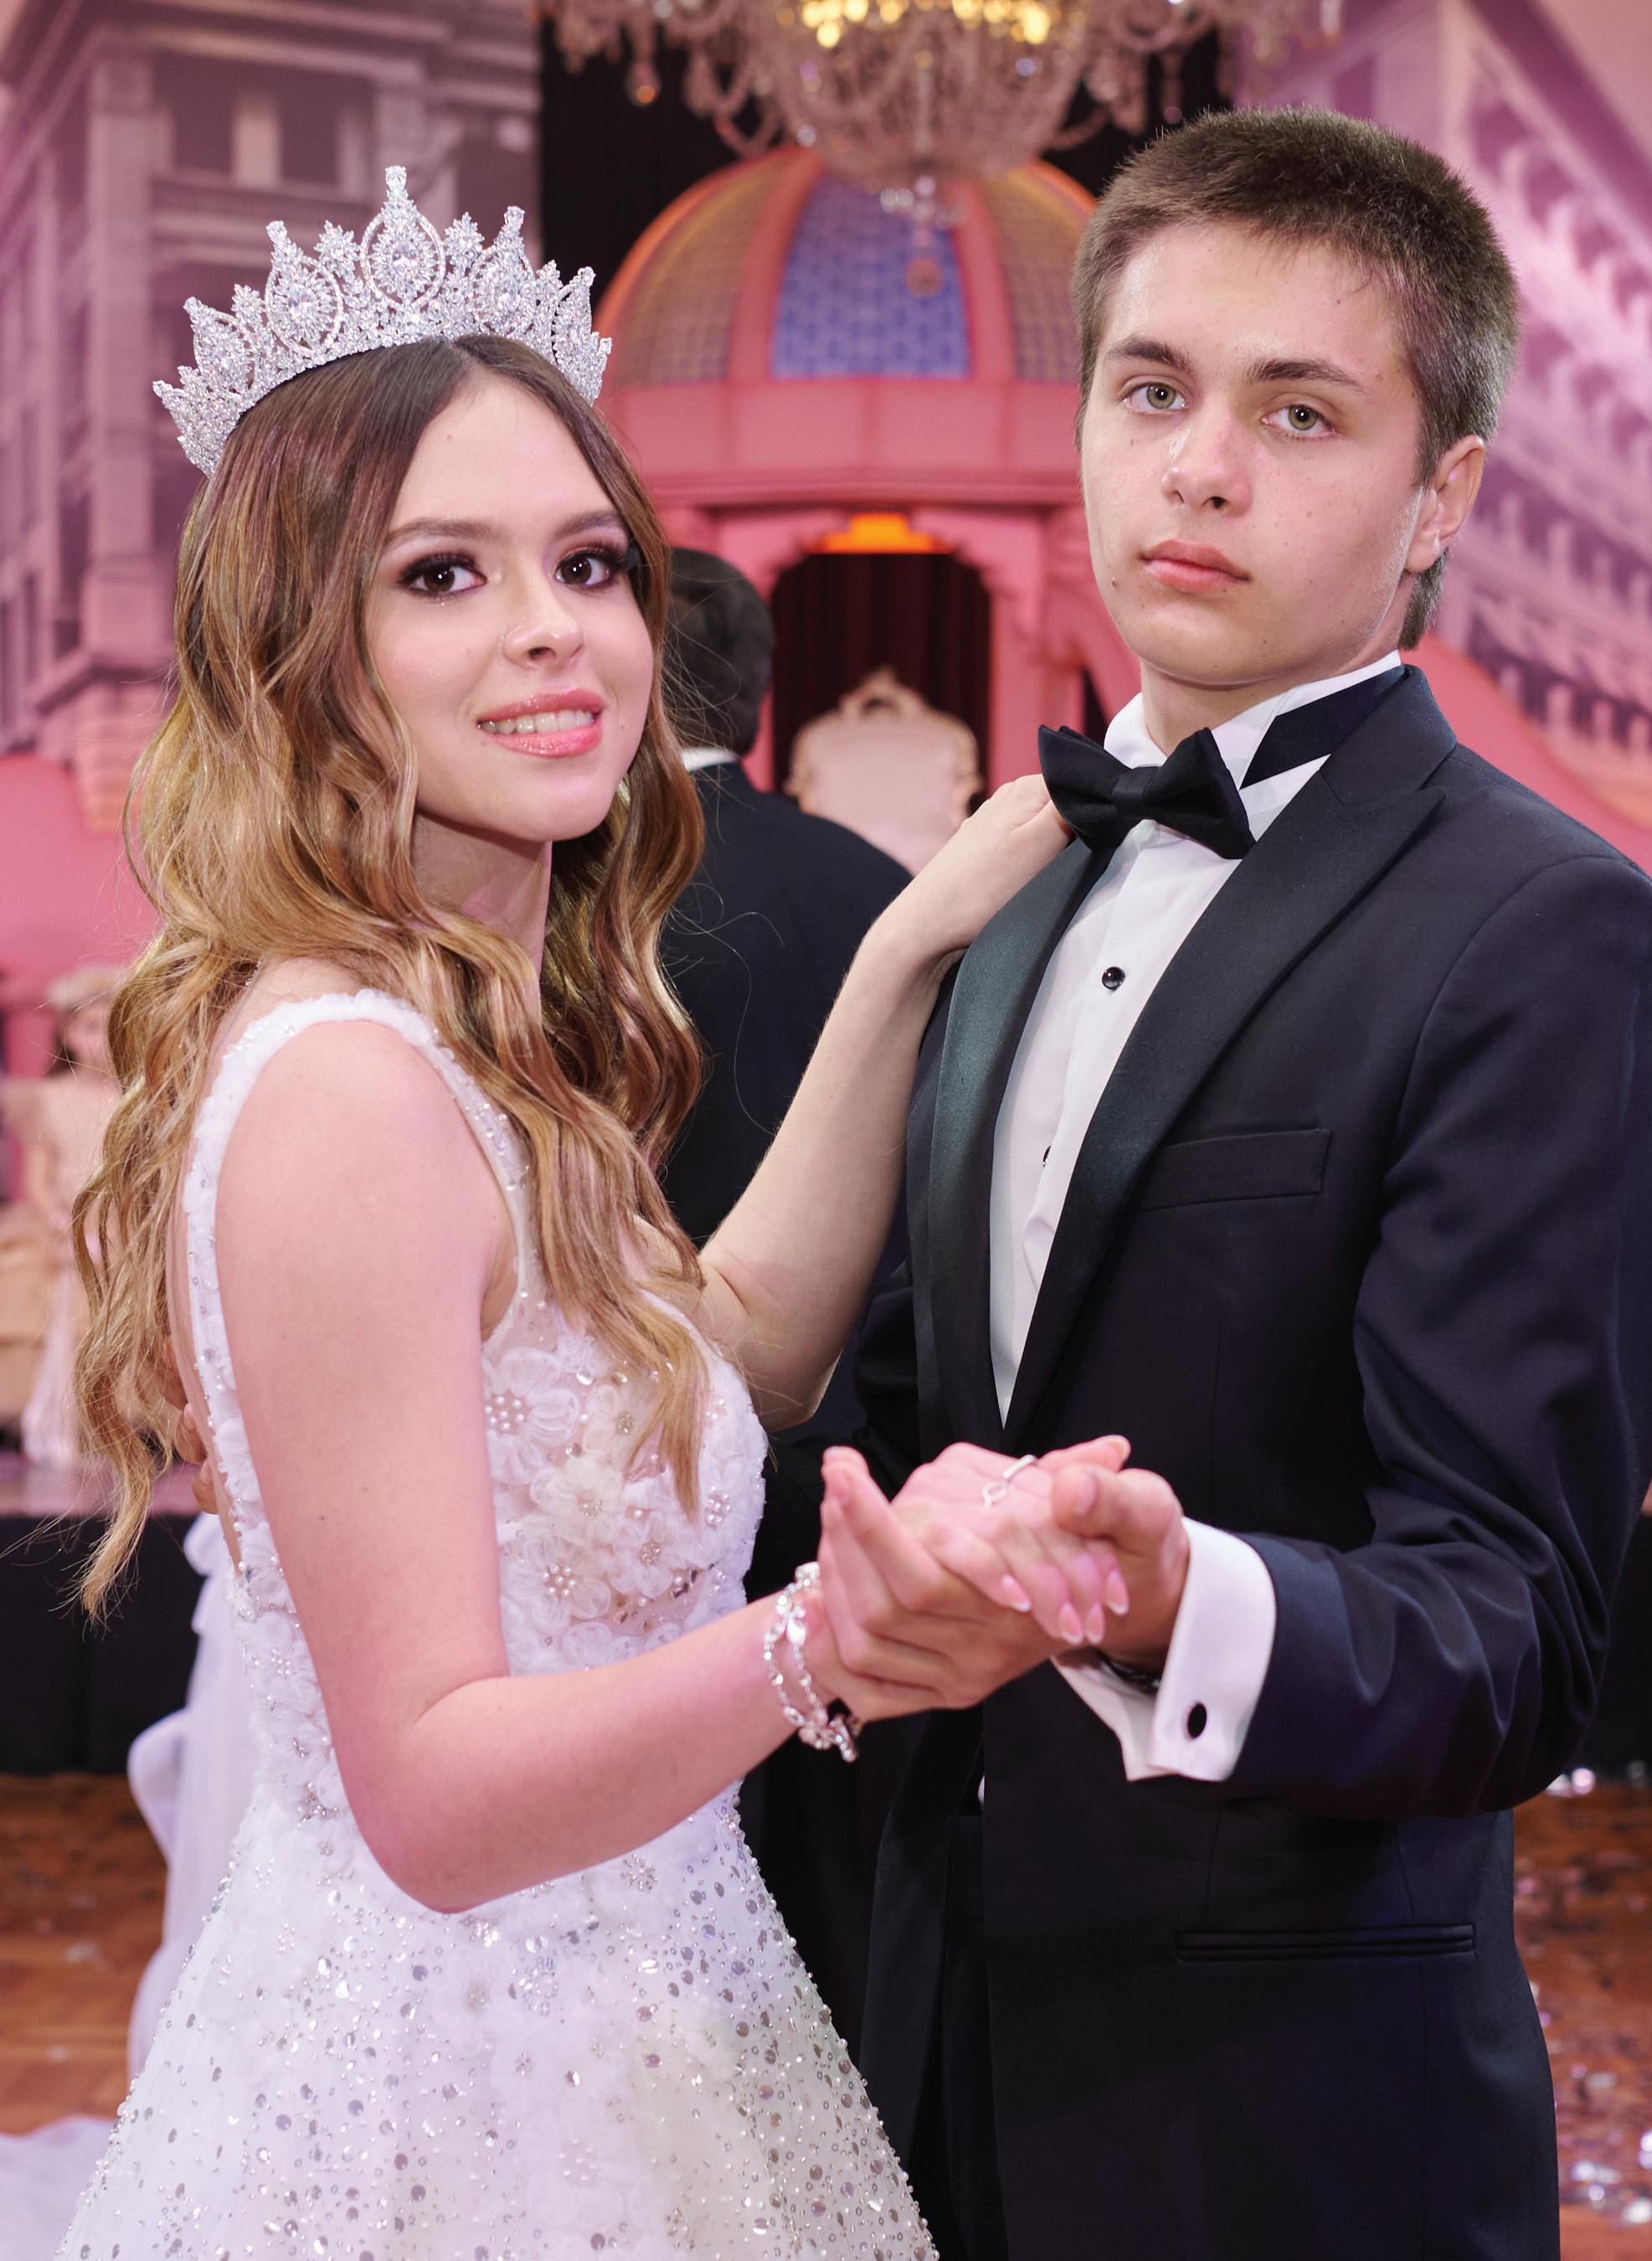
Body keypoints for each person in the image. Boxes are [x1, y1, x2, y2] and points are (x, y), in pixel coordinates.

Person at [56, 174, 1117, 2260]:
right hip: (462, 2097)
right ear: (297, 656)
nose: (554, 628)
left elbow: (727, 1352)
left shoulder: (478, 1034)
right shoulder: (351, 1086)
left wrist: (904, 954)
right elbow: (436, 1792)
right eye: (441, 573)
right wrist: (832, 1638)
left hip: (638, 2021)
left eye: (589, 562)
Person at [762, 108, 1652, 2261]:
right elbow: (907, 1408)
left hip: (1284, 2107)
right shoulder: (1005, 882)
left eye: (1298, 413)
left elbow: (1513, 1630)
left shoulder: (1545, 932)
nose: (1197, 469)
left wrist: (1180, 1593)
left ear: (1440, 496)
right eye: (1151, 389)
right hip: (922, 2025)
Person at [657, 547, 917, 2052]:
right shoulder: (879, 889)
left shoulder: (571, 890)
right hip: (859, 1444)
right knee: (831, 1884)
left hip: (638, 1441)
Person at [0, 965, 123, 1467]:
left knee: (114, 1311)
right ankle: (54, 1417)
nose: (101, 1042)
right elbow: (36, 1178)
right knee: (50, 1306)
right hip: (60, 1223)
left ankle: (108, 1424)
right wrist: (58, 1217)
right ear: (68, 1032)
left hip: (118, 1224)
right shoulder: (47, 1099)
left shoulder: (134, 1100)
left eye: (110, 1028)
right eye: (90, 1028)